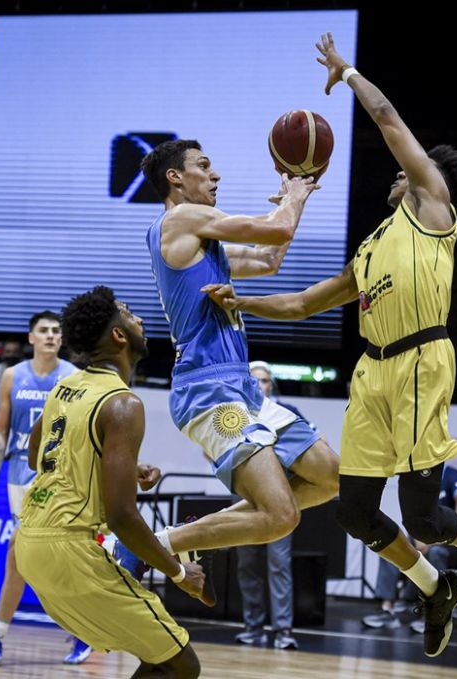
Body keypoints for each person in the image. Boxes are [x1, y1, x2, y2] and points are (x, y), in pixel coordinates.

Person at [202, 33, 457, 658]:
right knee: (353, 512)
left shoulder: (433, 209)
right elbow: (303, 303)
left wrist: (348, 72)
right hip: (372, 373)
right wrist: (240, 301)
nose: (399, 171)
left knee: (422, 518)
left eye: (410, 167)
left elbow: (387, 120)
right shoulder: (371, 247)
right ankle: (433, 586)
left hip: (421, 361)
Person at [138, 130, 339, 559]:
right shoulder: (180, 219)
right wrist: (294, 195)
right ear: (175, 177)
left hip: (242, 386)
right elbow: (277, 228)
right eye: (204, 166)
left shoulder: (202, 244)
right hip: (207, 389)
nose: (216, 175)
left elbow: (269, 259)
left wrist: (294, 200)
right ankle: (156, 545)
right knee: (281, 517)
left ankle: (192, 535)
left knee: (330, 477)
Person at [14, 286, 206, 679]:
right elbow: (122, 517)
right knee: (181, 664)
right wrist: (179, 573)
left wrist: (124, 467)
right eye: (130, 313)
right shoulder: (123, 404)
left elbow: (37, 456)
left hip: (30, 545)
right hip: (72, 553)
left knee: (160, 657)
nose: (140, 319)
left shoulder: (65, 387)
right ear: (119, 335)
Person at [0, 311, 84, 668]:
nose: (50, 336)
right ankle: (83, 629)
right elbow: (0, 430)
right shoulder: (12, 376)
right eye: (43, 331)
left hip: (56, 476)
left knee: (18, 552)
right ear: (31, 337)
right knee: (33, 558)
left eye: (56, 331)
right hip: (18, 474)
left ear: (61, 339)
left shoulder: (74, 377)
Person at [234, 361, 307, 650]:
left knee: (279, 563)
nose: (259, 384)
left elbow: (315, 442)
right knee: (247, 564)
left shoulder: (286, 411)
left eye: (264, 380)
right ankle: (253, 626)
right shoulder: (235, 413)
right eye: (254, 380)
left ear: (271, 385)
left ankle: (283, 630)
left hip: (280, 496)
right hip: (244, 496)